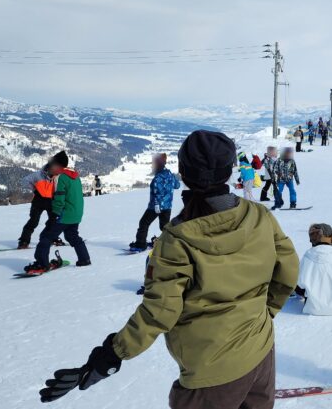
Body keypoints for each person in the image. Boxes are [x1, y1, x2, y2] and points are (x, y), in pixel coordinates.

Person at [38, 130, 299, 409]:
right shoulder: (259, 215)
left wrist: (111, 354)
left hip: (211, 372)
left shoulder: (178, 239)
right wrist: (263, 314)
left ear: (184, 173)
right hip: (261, 355)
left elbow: (160, 312)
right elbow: (288, 269)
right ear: (228, 170)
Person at [25, 151, 91, 273]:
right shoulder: (74, 176)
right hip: (76, 214)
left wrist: (53, 216)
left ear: (59, 166)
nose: (50, 167)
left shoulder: (60, 178)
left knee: (45, 237)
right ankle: (84, 259)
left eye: (52, 164)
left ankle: (41, 264)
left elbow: (59, 200)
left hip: (64, 215)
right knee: (72, 236)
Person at [129, 153, 181, 251]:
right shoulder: (170, 174)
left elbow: (157, 193)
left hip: (155, 207)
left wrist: (157, 205)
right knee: (164, 227)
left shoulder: (157, 178)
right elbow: (177, 185)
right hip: (167, 206)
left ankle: (140, 244)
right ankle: (170, 242)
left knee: (144, 223)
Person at [18, 163, 57, 250]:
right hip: (38, 201)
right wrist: (34, 189)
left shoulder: (56, 176)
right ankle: (24, 241)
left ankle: (53, 238)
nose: (52, 175)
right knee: (33, 221)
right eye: (51, 173)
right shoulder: (38, 175)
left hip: (51, 201)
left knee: (53, 220)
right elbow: (24, 181)